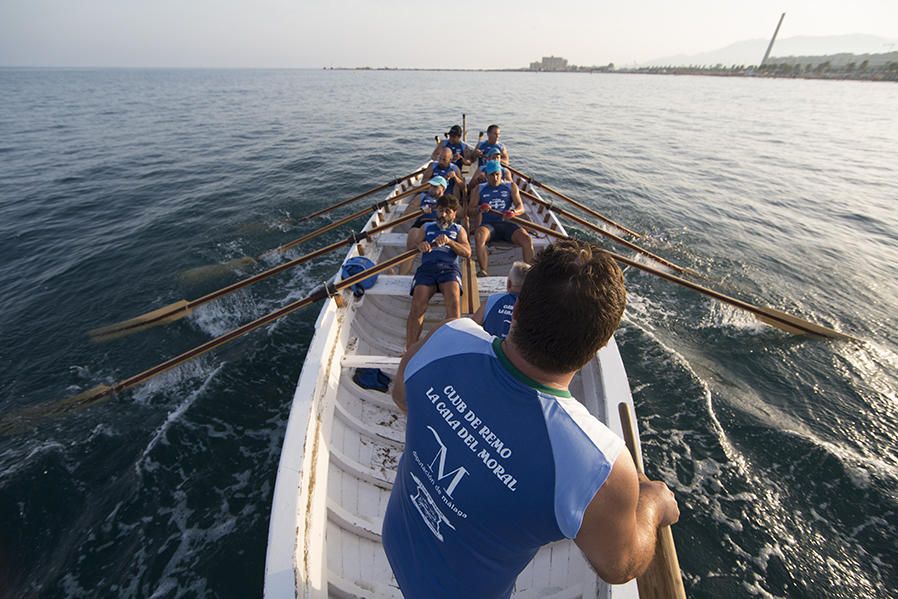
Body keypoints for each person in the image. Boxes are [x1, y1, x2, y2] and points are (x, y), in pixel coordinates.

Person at [383, 239, 680, 598]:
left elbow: (402, 395)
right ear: (597, 346)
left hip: (394, 542)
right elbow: (620, 565)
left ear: (517, 308)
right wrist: (652, 503)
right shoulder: (599, 464)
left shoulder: (449, 339)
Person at [404, 196, 471, 349]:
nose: (443, 215)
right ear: (436, 211)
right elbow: (415, 245)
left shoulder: (459, 230)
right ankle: (410, 348)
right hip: (427, 269)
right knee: (417, 305)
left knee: (454, 303)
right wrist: (420, 245)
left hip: (449, 269)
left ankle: (451, 346)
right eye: (441, 211)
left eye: (448, 211)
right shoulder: (426, 227)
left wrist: (450, 242)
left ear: (454, 214)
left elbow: (467, 252)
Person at [468, 161, 534, 276]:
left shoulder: (511, 186)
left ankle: (530, 272)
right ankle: (484, 270)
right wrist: (480, 208)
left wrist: (514, 212)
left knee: (526, 239)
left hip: (506, 224)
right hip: (488, 225)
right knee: (479, 236)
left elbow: (520, 207)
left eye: (497, 174)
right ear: (486, 176)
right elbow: (469, 211)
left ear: (501, 174)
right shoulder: (479, 189)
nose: (495, 177)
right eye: (492, 175)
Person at [399, 176, 448, 275]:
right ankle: (401, 276)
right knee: (411, 248)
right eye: (431, 186)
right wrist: (421, 210)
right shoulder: (422, 196)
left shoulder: (448, 199)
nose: (431, 189)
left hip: (440, 224)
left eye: (435, 187)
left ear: (442, 188)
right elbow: (406, 213)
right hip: (422, 222)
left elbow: (459, 213)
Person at [472, 261, 530, 338]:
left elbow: (472, 326)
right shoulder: (534, 304)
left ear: (509, 283)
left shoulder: (492, 300)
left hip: (490, 347)